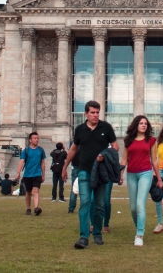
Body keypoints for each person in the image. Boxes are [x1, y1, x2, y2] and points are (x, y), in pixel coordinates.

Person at [61, 100, 118, 249]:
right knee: (85, 203)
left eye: (97, 112)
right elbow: (73, 149)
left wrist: (105, 155)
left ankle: (97, 233)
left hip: (101, 172)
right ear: (86, 114)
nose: (95, 115)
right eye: (92, 112)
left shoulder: (106, 127)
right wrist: (65, 167)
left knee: (99, 205)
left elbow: (116, 147)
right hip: (84, 171)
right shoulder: (80, 129)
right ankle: (83, 236)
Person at [118, 115, 162, 247]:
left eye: (146, 124)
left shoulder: (151, 140)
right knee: (132, 208)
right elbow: (124, 160)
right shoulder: (128, 140)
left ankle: (139, 234)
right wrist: (120, 174)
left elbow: (154, 160)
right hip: (131, 174)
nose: (144, 125)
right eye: (141, 123)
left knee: (140, 204)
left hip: (145, 173)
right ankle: (139, 226)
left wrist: (159, 178)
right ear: (136, 125)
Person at [15, 131, 46, 216]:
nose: (37, 140)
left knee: (36, 190)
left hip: (37, 174)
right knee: (28, 192)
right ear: (30, 140)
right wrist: (18, 172)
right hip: (27, 174)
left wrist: (43, 174)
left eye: (37, 138)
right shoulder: (26, 150)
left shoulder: (41, 150)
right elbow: (21, 161)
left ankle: (36, 208)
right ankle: (28, 208)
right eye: (35, 138)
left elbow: (43, 163)